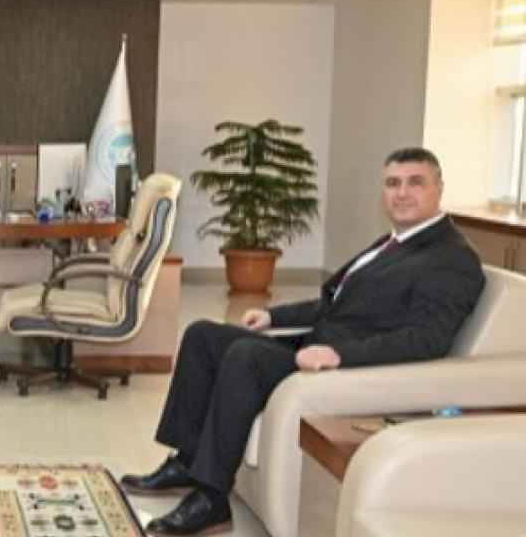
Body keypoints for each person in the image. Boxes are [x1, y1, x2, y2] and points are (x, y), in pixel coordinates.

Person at [122, 147, 485, 536]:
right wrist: (275, 317)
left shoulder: (451, 257)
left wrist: (339, 354)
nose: (402, 193)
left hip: (342, 365)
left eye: (416, 182)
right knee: (202, 336)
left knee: (246, 355)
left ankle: (212, 498)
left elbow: (427, 339)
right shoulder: (394, 242)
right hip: (315, 346)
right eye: (393, 183)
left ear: (439, 188)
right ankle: (187, 461)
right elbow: (334, 304)